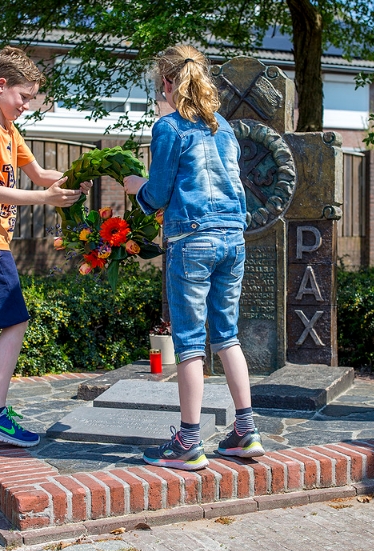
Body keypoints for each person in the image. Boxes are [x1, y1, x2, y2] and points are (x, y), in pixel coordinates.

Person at [123, 44, 265, 470]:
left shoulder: (168, 126)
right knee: (227, 335)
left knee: (187, 342)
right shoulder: (222, 125)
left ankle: (187, 441)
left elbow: (160, 190)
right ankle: (246, 431)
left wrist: (137, 188)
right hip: (233, 238)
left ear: (166, 83)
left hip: (192, 240)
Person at [0, 47, 87, 448]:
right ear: (0, 86)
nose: (27, 105)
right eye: (23, 97)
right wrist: (47, 200)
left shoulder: (8, 129)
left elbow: (40, 174)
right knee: (16, 322)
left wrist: (75, 180)